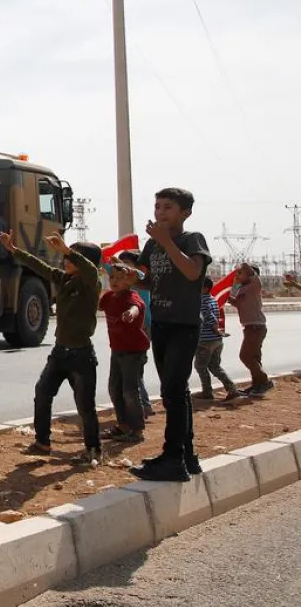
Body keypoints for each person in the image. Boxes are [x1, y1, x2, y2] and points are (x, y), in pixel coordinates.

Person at [0, 231, 104, 464]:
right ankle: (42, 442)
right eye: (67, 257)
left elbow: (90, 270)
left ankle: (94, 449)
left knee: (85, 405)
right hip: (60, 353)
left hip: (81, 355)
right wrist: (14, 250)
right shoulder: (65, 279)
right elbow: (40, 267)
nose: (65, 260)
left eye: (72, 257)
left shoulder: (91, 284)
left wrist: (68, 251)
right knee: (42, 392)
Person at [131, 188, 213, 484]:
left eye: (168, 207)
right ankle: (186, 457)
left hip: (184, 325)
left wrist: (166, 242)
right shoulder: (152, 246)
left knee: (172, 391)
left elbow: (193, 273)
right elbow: (149, 281)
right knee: (175, 393)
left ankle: (172, 460)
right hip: (162, 326)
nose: (160, 212)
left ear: (185, 213)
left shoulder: (192, 240)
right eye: (157, 207)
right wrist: (131, 276)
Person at [100, 262, 150, 443]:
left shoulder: (133, 297)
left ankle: (137, 430)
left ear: (130, 281)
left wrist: (131, 313)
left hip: (134, 351)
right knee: (114, 388)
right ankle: (122, 425)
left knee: (130, 390)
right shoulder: (108, 298)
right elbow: (97, 303)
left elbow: (137, 306)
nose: (114, 281)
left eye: (120, 278)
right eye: (112, 277)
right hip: (117, 350)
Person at [117, 250, 157, 418]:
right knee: (134, 369)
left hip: (142, 327)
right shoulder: (126, 281)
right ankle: (141, 405)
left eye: (126, 263)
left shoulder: (139, 278)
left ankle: (144, 405)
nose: (123, 267)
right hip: (133, 328)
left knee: (133, 369)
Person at [194, 276, 247, 402]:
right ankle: (232, 389)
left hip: (205, 341)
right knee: (215, 366)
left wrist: (215, 329)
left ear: (205, 288)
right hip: (217, 341)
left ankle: (207, 392)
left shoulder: (201, 301)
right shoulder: (213, 299)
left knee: (200, 366)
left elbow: (210, 317)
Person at [229, 262, 274, 396]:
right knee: (254, 358)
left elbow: (249, 272)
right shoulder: (242, 289)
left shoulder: (254, 285)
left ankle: (264, 382)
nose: (238, 275)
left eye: (241, 273)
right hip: (249, 327)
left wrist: (242, 265)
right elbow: (238, 304)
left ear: (249, 274)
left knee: (245, 356)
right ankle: (257, 386)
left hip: (256, 326)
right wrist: (228, 297)